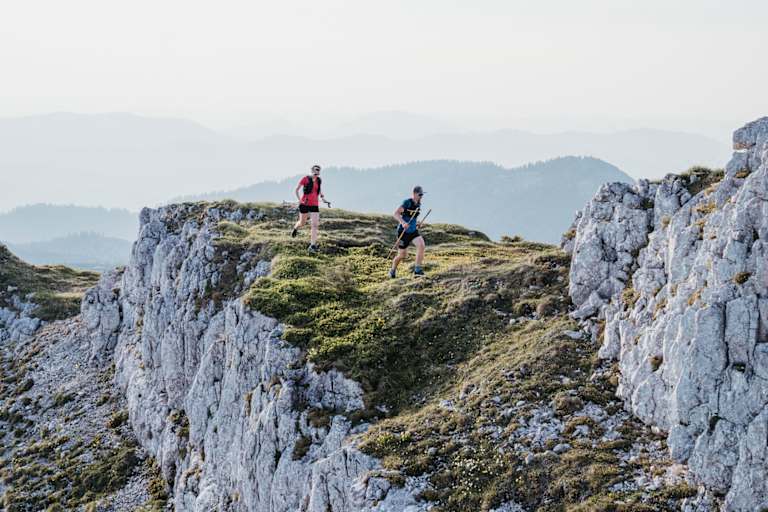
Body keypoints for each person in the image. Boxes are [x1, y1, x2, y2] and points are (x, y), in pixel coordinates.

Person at [291, 164, 331, 253]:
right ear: (312, 170)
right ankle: (295, 228)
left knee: (315, 225)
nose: (318, 171)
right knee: (302, 222)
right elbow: (296, 190)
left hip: (314, 204)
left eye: (319, 170)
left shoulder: (319, 180)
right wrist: (300, 200)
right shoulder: (305, 179)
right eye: (316, 169)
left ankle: (312, 245)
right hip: (304, 203)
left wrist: (323, 198)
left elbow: (319, 190)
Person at [390, 186, 426, 278]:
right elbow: (396, 214)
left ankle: (417, 270)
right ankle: (392, 270)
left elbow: (413, 217)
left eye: (422, 195)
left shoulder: (418, 204)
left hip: (413, 231)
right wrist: (403, 223)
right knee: (402, 255)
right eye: (420, 194)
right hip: (403, 232)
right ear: (414, 194)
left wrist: (417, 224)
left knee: (421, 245)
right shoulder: (407, 202)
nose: (421, 196)